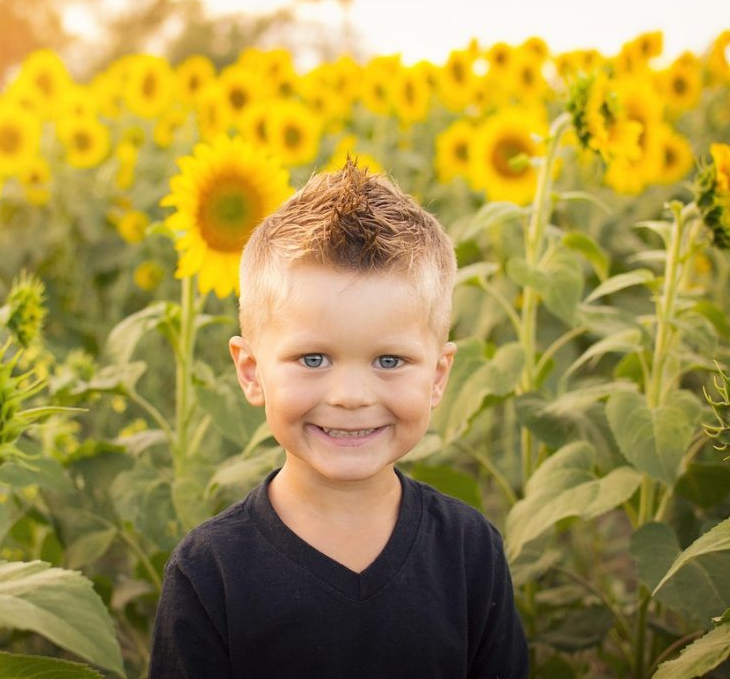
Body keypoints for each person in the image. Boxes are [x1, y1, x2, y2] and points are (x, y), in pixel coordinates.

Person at [149, 160, 529, 678]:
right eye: (313, 359)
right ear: (251, 371)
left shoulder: (469, 554)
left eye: (389, 361)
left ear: (438, 376)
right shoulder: (210, 572)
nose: (350, 396)